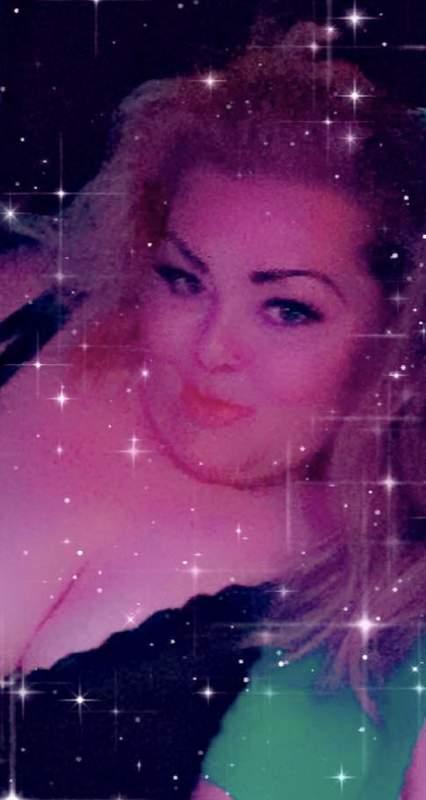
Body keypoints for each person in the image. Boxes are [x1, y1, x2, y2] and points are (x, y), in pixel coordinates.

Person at [0, 14, 425, 799]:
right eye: (184, 279)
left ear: (392, 331)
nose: (210, 348)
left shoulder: (378, 598)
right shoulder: (33, 314)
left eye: (287, 309)